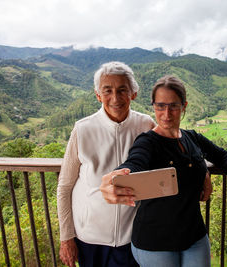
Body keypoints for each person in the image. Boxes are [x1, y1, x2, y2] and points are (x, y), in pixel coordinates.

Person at [100, 75, 227, 267]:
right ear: (153, 106)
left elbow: (220, 155)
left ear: (184, 106)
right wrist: (116, 177)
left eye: (174, 106)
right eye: (160, 106)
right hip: (155, 241)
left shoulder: (191, 137)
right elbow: (135, 162)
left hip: (194, 235)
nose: (166, 113)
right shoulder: (148, 142)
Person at [57, 61, 156, 267]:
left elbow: (176, 144)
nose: (115, 98)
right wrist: (66, 238)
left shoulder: (146, 125)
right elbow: (65, 187)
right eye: (107, 90)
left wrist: (203, 173)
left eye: (122, 90)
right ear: (98, 95)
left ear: (133, 93)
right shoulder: (83, 129)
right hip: (90, 239)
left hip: (133, 238)